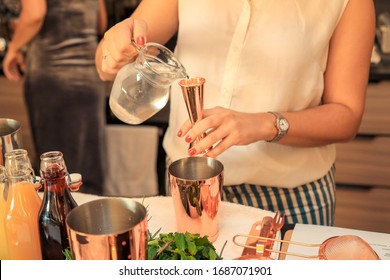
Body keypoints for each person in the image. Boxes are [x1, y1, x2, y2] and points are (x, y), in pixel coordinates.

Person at [95, 0, 375, 225]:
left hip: (291, 198)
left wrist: (265, 124)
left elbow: (346, 116)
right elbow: (112, 58)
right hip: (190, 187)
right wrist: (112, 50)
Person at [2, 0, 109, 195]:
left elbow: (35, 15)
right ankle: (89, 223)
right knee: (89, 168)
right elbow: (101, 22)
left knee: (54, 172)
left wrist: (14, 48)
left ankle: (60, 223)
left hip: (52, 76)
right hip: (90, 73)